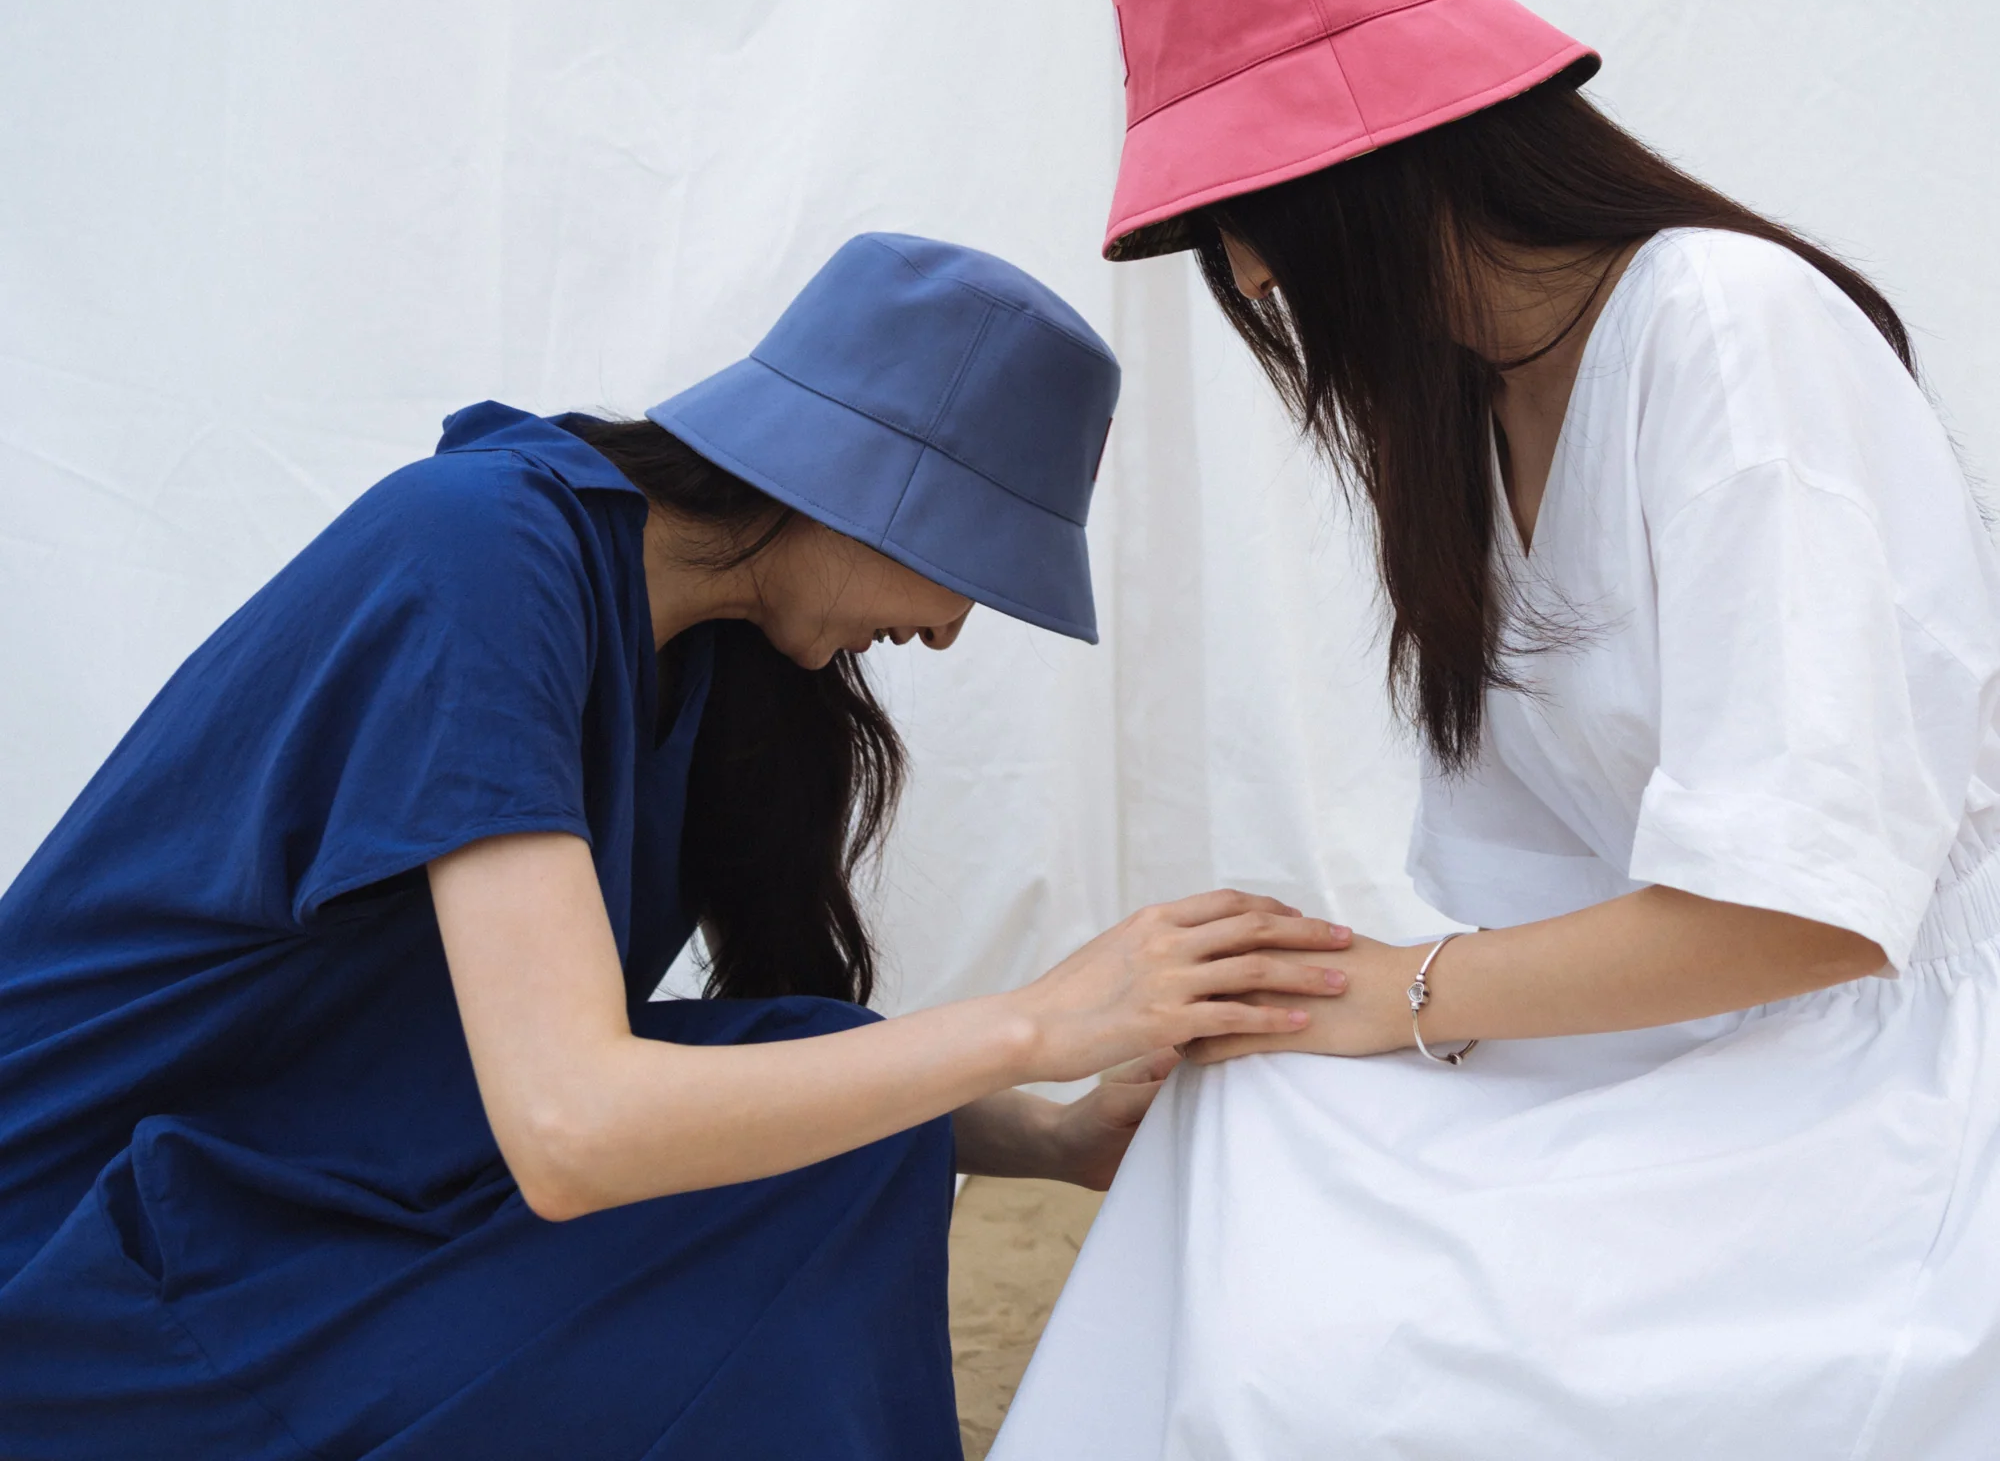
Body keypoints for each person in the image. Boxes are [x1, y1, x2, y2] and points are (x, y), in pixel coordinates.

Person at [0, 231, 1350, 1460]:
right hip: (97, 1263)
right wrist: (1034, 1024)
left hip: (320, 1195)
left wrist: (1051, 1138)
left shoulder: (705, 654)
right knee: (824, 1145)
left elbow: (725, 1085)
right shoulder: (477, 554)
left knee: (837, 1104)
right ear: (867, 488)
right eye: (973, 565)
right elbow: (572, 1126)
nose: (949, 629)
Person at [994, 0, 2000, 1459]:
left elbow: (1812, 911)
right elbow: (1545, 896)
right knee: (1240, 1116)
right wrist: (1312, 989)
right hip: (1711, 1049)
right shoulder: (1475, 410)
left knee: (1323, 1348)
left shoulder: (1725, 325)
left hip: (1895, 1092)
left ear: (1378, 170)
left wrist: (1389, 994)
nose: (1247, 276)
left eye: (1248, 219)